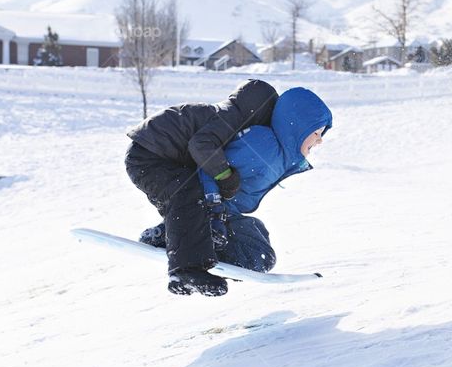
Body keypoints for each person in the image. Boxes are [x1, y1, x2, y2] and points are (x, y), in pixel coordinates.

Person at [125, 83, 332, 297]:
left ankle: (168, 237)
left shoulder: (269, 146)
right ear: (296, 126)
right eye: (316, 132)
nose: (320, 140)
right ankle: (185, 271)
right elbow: (203, 153)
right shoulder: (249, 134)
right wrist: (221, 188)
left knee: (245, 231)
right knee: (189, 194)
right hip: (151, 154)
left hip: (170, 157)